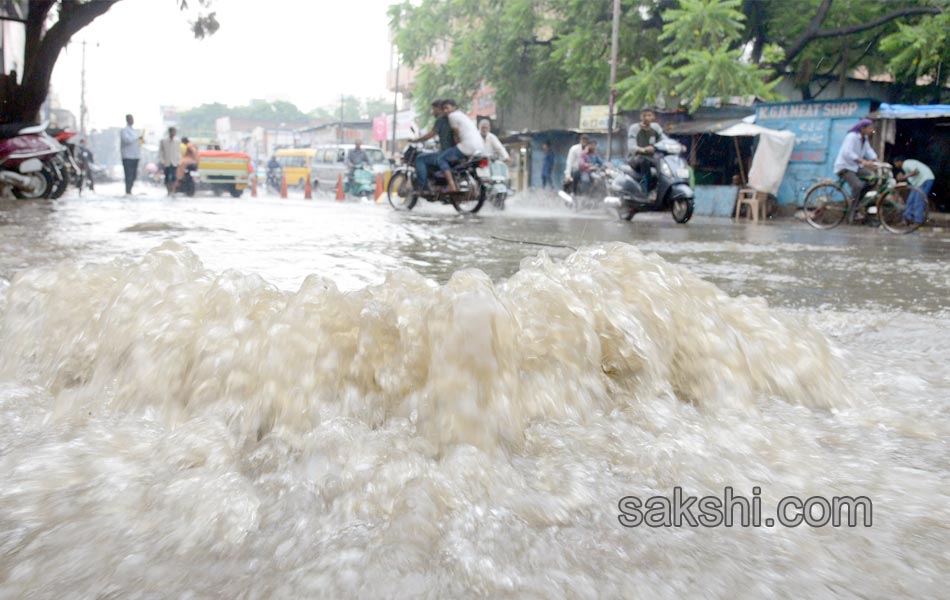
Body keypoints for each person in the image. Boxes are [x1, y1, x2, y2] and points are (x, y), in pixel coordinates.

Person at [832, 118, 878, 218]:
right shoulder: (851, 136)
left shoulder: (864, 139)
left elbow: (868, 151)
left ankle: (856, 201)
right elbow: (847, 153)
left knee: (873, 178)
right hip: (844, 167)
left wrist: (877, 161)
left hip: (855, 167)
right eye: (870, 128)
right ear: (863, 128)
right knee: (857, 185)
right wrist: (863, 161)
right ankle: (851, 211)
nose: (871, 131)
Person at [438, 99, 484, 193]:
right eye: (443, 109)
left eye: (447, 108)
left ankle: (451, 185)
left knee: (441, 158)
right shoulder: (463, 115)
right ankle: (475, 189)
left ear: (454, 107)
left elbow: (456, 135)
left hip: (467, 145)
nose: (445, 111)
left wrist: (454, 144)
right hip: (480, 146)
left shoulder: (452, 116)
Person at [409, 99, 453, 193]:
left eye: (434, 109)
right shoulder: (450, 118)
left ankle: (425, 188)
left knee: (420, 158)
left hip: (445, 152)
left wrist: (416, 140)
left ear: (439, 109)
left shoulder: (441, 119)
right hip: (453, 151)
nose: (433, 112)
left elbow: (431, 134)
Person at [627, 107, 667, 188]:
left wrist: (677, 145)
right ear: (641, 117)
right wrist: (643, 149)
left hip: (652, 158)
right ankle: (647, 189)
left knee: (664, 163)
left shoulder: (656, 127)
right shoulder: (634, 128)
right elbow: (631, 147)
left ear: (653, 117)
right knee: (644, 161)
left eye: (649, 115)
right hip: (636, 158)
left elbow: (664, 139)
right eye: (644, 115)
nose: (647, 118)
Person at [893, 156, 935, 224]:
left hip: (925, 180)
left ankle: (918, 221)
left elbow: (916, 171)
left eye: (895, 163)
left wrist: (904, 177)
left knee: (919, 201)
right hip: (918, 184)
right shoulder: (906, 167)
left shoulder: (906, 164)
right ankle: (906, 218)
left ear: (899, 162)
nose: (895, 165)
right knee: (910, 200)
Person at [119, 114, 143, 195]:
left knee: (134, 175)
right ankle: (128, 191)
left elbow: (140, 143)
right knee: (128, 174)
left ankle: (130, 189)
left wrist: (141, 139)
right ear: (127, 120)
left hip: (136, 155)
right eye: (130, 119)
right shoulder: (124, 131)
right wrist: (137, 137)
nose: (132, 120)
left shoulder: (135, 131)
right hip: (127, 156)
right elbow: (127, 140)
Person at [158, 126, 181, 196]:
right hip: (166, 162)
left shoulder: (177, 141)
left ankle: (173, 190)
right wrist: (162, 160)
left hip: (174, 162)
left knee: (174, 177)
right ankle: (168, 191)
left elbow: (178, 152)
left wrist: (179, 161)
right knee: (167, 177)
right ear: (169, 132)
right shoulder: (163, 141)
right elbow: (161, 152)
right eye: (172, 132)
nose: (173, 133)